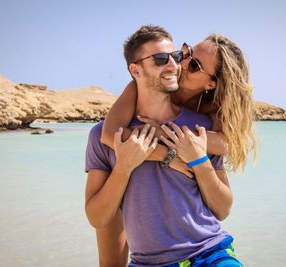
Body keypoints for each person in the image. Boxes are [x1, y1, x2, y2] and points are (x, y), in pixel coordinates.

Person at [85, 25, 245, 266]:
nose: (177, 65)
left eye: (191, 64)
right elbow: (100, 219)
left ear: (210, 84)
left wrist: (195, 156)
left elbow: (223, 206)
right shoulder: (112, 132)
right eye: (185, 53)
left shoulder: (203, 124)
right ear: (135, 70)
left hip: (210, 254)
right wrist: (150, 159)